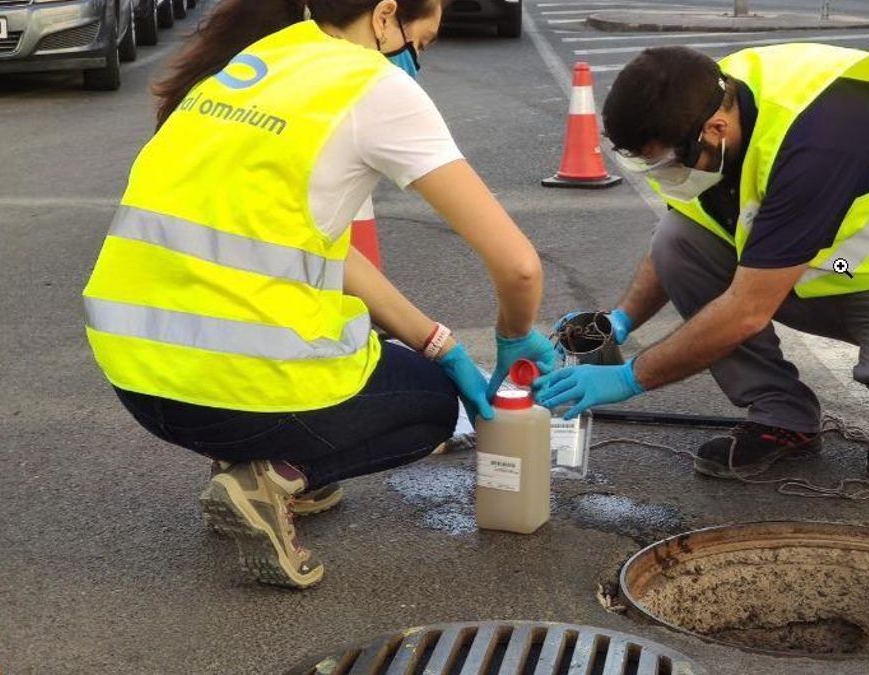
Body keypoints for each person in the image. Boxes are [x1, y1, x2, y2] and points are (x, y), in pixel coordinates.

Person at [81, 0, 555, 589]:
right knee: (433, 406)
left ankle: (249, 455)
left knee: (420, 368)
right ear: (385, 18)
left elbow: (322, 249)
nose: (417, 60)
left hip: (137, 378)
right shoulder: (372, 86)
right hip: (228, 386)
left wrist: (442, 345)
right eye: (422, 42)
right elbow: (520, 268)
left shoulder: (256, 61)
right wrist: (514, 336)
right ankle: (270, 475)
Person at [536, 45, 869, 484]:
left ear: (715, 131)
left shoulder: (821, 141)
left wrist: (628, 378)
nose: (665, 177)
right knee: (678, 241)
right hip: (820, 272)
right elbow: (687, 227)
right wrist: (619, 321)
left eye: (665, 164)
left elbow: (747, 310)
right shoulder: (707, 95)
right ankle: (782, 417)